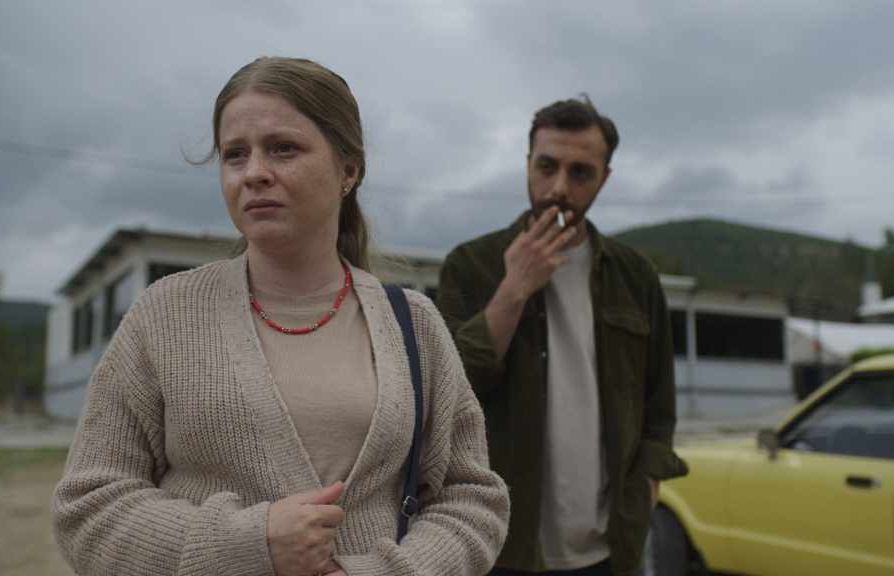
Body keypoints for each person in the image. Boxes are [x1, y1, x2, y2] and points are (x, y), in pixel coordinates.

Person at [52, 56, 509, 576]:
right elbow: (88, 508)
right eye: (235, 155)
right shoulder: (165, 316)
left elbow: (471, 499)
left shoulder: (414, 325)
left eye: (283, 148)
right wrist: (248, 544)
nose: (254, 173)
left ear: (348, 170)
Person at [437, 96, 687, 576]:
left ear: (604, 179)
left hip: (609, 548)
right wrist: (515, 288)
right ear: (527, 164)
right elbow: (450, 393)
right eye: (547, 166)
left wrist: (647, 486)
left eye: (580, 173)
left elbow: (660, 403)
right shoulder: (471, 265)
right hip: (501, 544)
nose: (559, 188)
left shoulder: (634, 276)